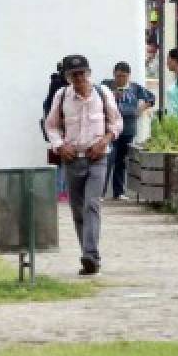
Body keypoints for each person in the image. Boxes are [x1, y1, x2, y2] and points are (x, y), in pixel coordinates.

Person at [44, 54, 121, 276]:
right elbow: (51, 126)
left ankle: (90, 255)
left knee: (92, 205)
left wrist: (105, 141)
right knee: (78, 211)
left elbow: (116, 123)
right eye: (73, 74)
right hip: (72, 159)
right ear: (67, 77)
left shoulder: (102, 94)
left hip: (98, 158)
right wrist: (59, 145)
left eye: (82, 73)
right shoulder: (61, 97)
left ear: (89, 73)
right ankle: (88, 254)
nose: (79, 78)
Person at [101, 61, 155, 201]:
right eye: (118, 76)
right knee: (108, 158)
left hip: (128, 129)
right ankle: (100, 192)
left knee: (121, 161)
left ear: (128, 76)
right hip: (111, 130)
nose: (121, 79)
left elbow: (151, 98)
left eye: (124, 76)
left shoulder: (135, 88)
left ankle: (118, 192)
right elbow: (97, 98)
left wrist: (140, 109)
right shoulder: (106, 86)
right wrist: (112, 96)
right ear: (114, 75)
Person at [40, 61, 69, 201]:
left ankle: (61, 191)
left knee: (61, 160)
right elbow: (53, 108)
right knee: (61, 160)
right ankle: (60, 191)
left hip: (62, 125)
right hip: (60, 125)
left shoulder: (57, 84)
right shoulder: (59, 86)